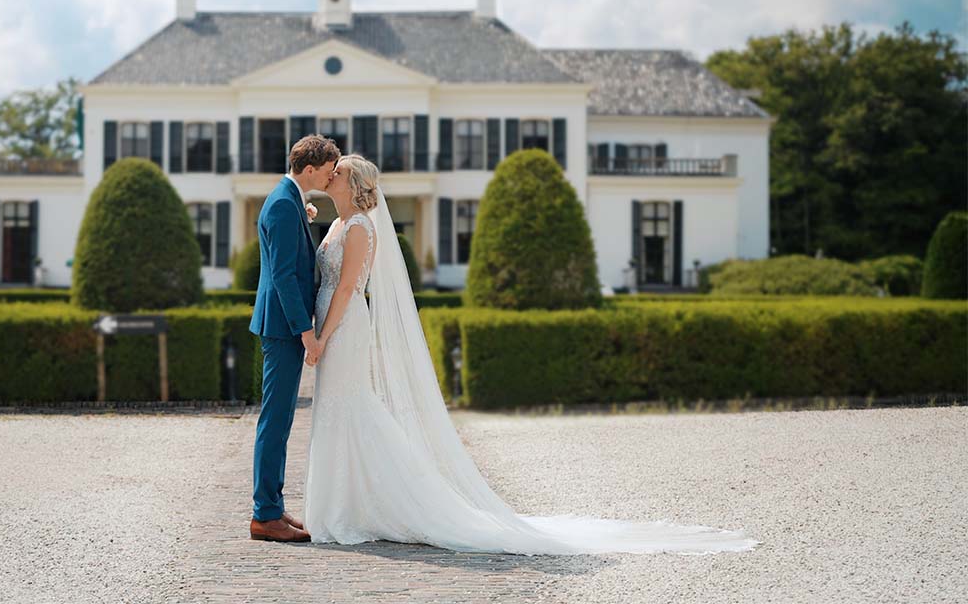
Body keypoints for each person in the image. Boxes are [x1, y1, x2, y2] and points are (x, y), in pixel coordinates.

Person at [301, 154, 759, 555]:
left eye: (337, 172)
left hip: (344, 327)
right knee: (344, 412)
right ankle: (353, 503)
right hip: (332, 324)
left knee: (353, 409)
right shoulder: (337, 224)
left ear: (353, 184)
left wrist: (323, 335)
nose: (330, 175)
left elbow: (346, 288)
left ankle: (385, 502)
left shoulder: (360, 227)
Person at [247, 134, 339, 543]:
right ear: (309, 169)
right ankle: (265, 515)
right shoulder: (285, 204)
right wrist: (308, 336)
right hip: (284, 327)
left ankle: (272, 506)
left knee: (281, 419)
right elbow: (284, 277)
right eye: (327, 169)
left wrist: (307, 216)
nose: (331, 174)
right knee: (275, 419)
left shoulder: (289, 199)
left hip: (281, 325)